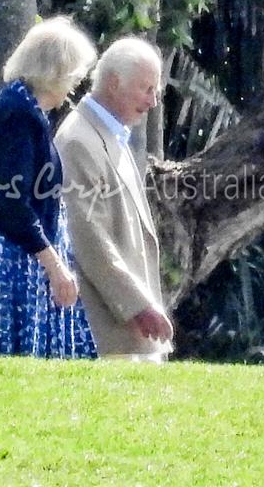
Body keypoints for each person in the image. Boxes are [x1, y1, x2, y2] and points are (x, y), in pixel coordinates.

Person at [0, 16, 97, 358]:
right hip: (13, 260)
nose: (75, 86)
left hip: (15, 254)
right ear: (58, 72)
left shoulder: (14, 105)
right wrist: (55, 265)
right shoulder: (17, 113)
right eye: (75, 76)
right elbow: (13, 202)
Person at [55, 36, 174, 361]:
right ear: (112, 83)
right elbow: (88, 236)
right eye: (146, 89)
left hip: (130, 331)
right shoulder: (79, 141)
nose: (153, 102)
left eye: (156, 91)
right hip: (110, 332)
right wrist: (138, 305)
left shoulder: (110, 135)